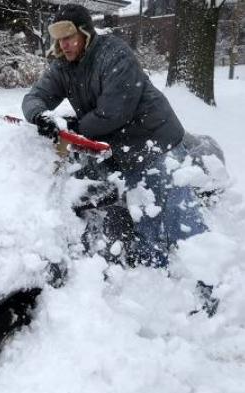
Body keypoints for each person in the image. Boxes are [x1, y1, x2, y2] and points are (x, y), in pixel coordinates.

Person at [22, 4, 208, 269]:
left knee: (179, 216)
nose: (64, 45)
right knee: (146, 209)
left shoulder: (114, 54)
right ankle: (152, 267)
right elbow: (34, 97)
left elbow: (112, 113)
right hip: (124, 148)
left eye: (69, 37)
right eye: (59, 39)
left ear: (85, 34)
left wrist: (74, 127)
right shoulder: (63, 66)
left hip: (156, 140)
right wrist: (40, 116)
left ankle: (209, 276)